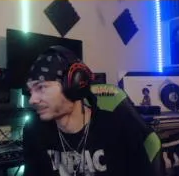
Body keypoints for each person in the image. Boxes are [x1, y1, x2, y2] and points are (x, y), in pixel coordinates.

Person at [22, 46, 163, 176]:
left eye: (41, 87)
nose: (32, 100)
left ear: (74, 84)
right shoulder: (34, 131)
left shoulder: (118, 127)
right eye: (30, 91)